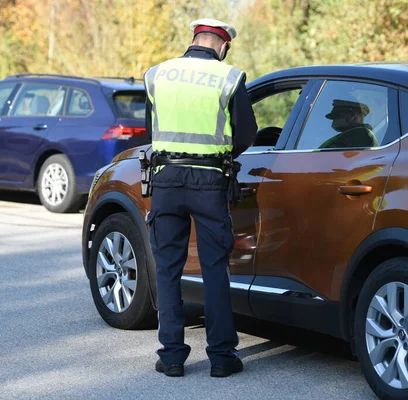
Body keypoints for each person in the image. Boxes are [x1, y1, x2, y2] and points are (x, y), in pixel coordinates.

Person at [143, 18, 257, 378]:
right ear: (222, 46)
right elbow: (247, 134)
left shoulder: (157, 74)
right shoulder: (229, 77)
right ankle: (222, 358)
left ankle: (172, 356)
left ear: (194, 39)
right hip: (209, 182)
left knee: (168, 269)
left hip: (165, 180)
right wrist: (220, 153)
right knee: (214, 270)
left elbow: (153, 127)